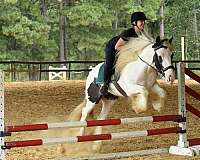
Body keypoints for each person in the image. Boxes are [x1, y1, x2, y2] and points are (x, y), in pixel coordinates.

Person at [100, 11, 148, 96]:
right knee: (110, 63)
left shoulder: (142, 33)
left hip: (125, 50)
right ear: (134, 23)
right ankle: (105, 85)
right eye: (141, 21)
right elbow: (117, 47)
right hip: (113, 47)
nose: (143, 23)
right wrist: (131, 50)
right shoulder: (128, 32)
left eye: (143, 21)